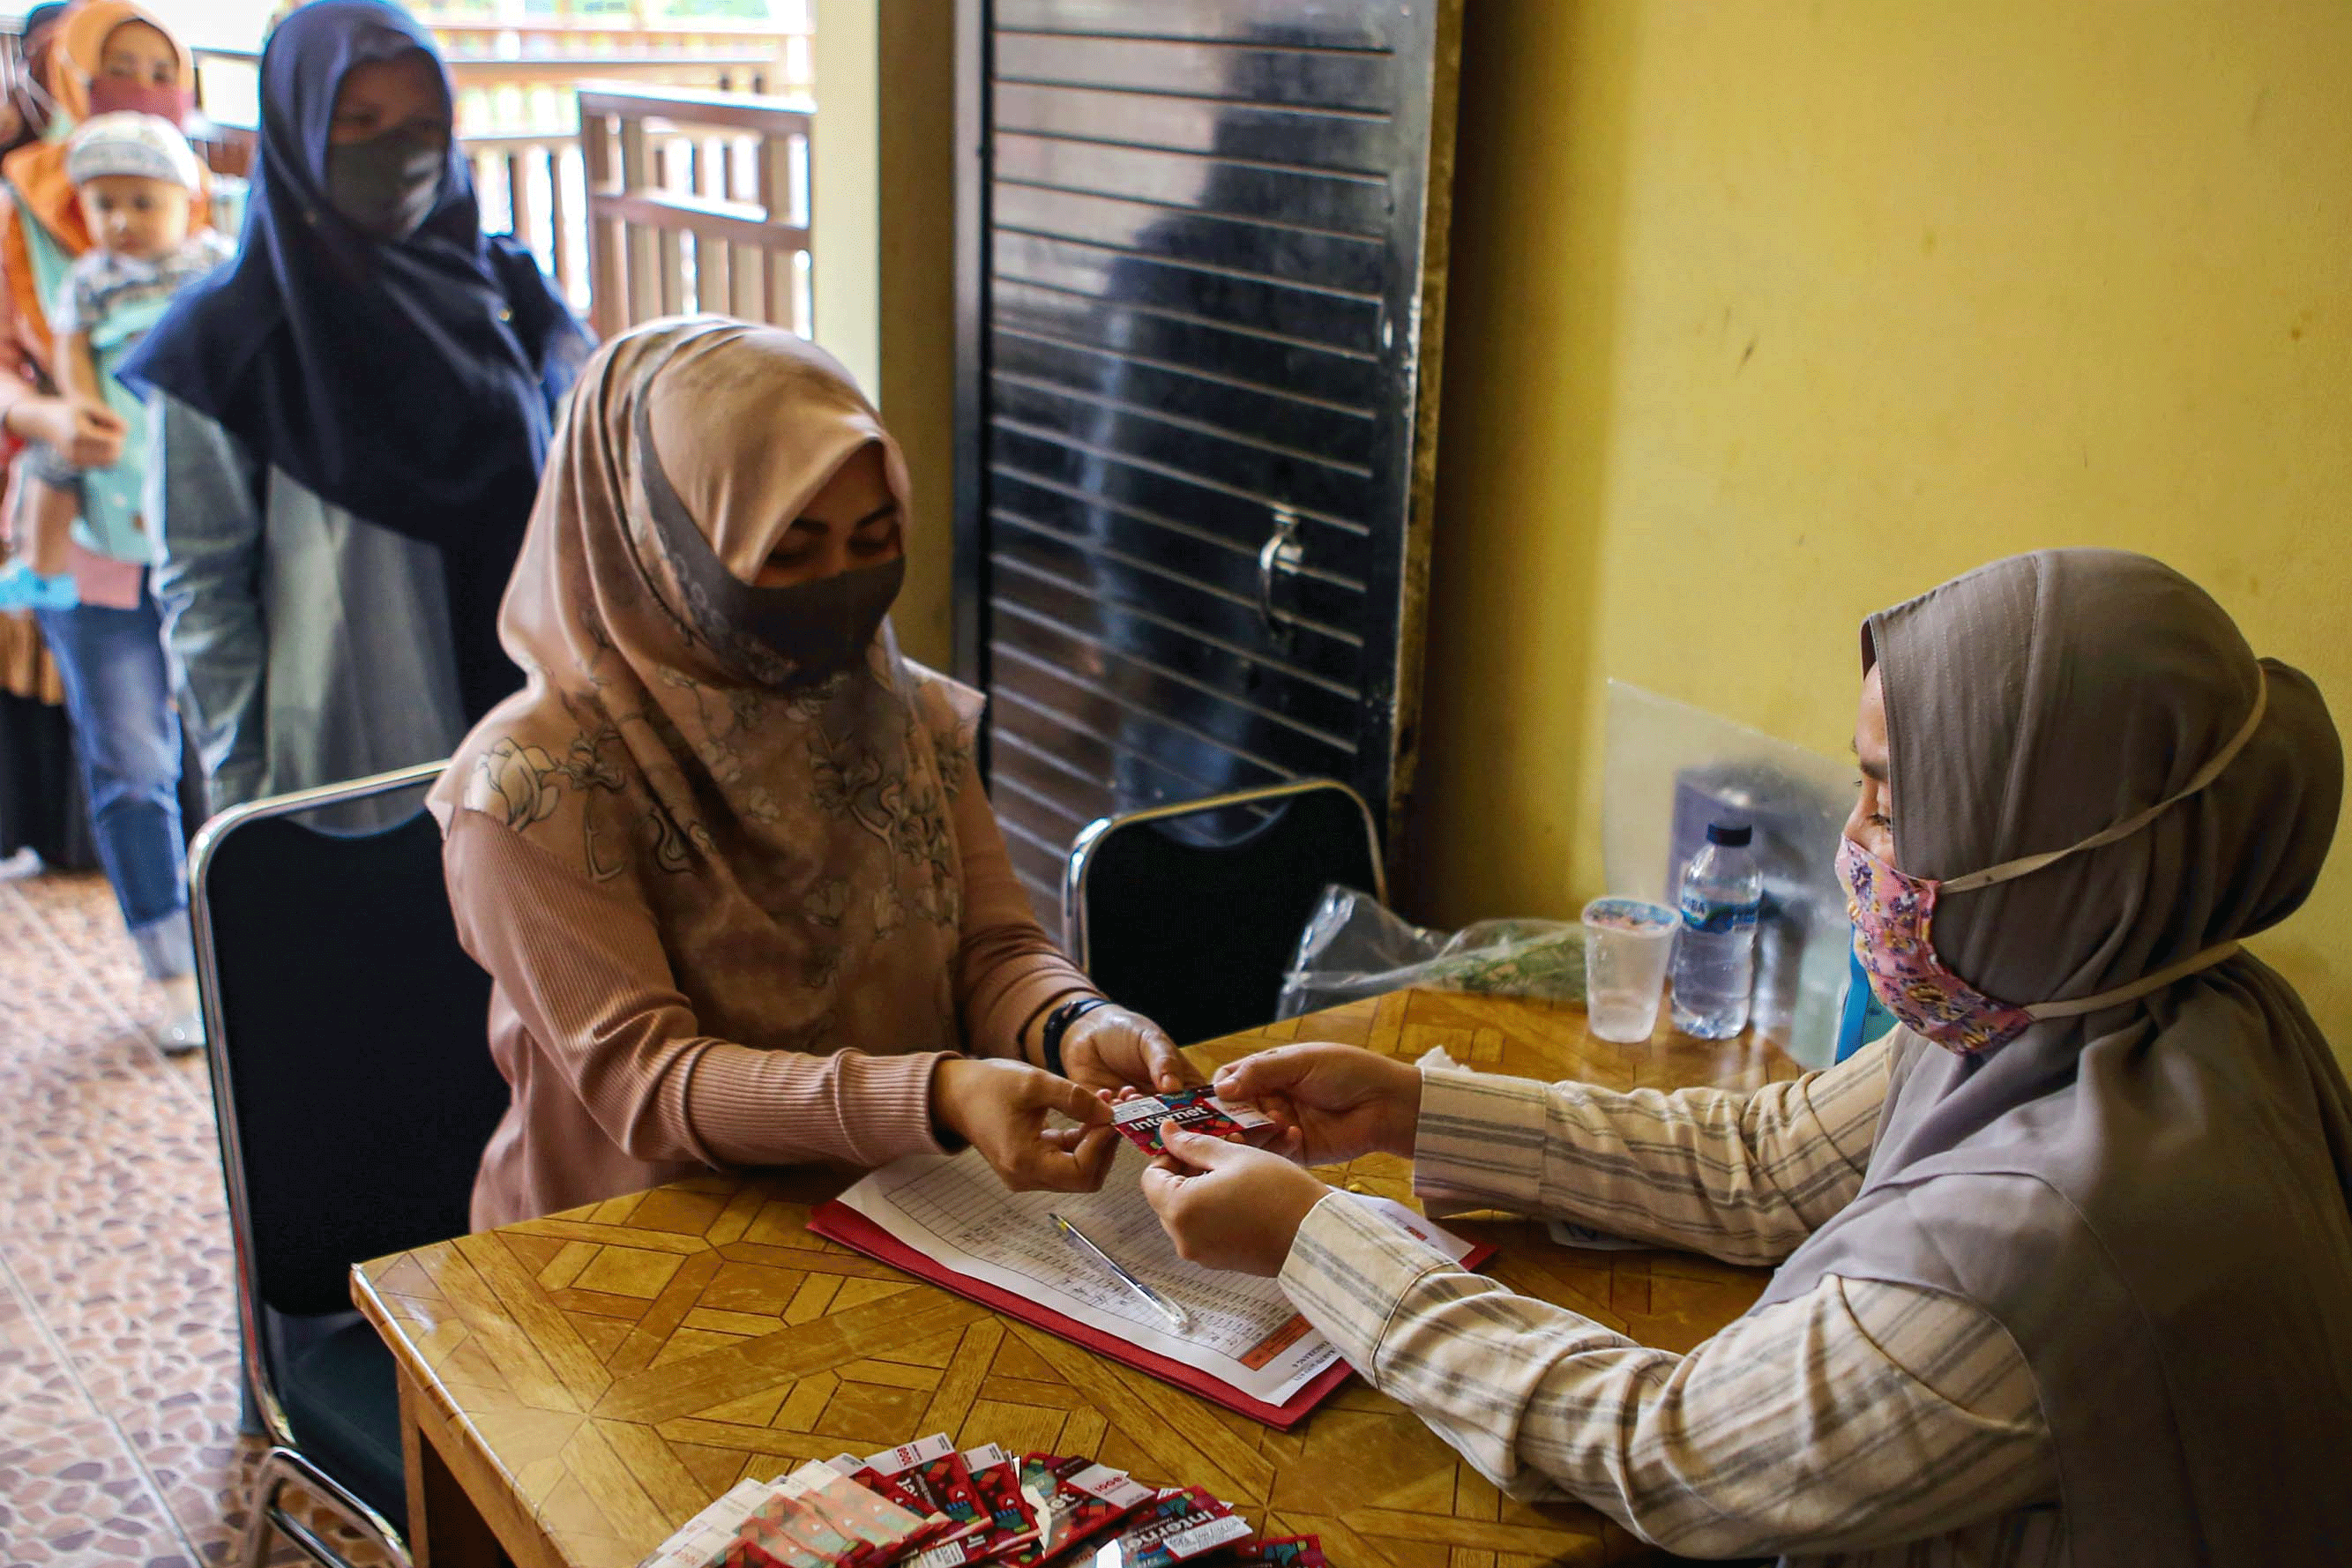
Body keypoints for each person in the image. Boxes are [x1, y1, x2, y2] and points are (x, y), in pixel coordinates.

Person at [1142, 549, 2352, 1564]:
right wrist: (1415, 1109)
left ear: (2058, 845)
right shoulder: (2100, 1000)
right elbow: (1767, 1161)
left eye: (1887, 800)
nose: (1852, 845)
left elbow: (1669, 1452)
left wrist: (1316, 1242)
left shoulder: (2049, 1250)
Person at [429, 317, 1195, 1229]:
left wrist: (1073, 1021)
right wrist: (937, 1095)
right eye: (786, 553)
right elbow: (648, 1079)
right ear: (660, 545)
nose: (838, 586)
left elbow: (991, 953)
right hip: (626, 1251)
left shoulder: (891, 707)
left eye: (874, 540)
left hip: (903, 1209)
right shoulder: (532, 784)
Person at [123, 0, 588, 821]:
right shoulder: (227, 344)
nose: (397, 153)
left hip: (536, 748)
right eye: (358, 120)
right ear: (297, 127)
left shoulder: (506, 294)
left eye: (422, 124)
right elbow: (203, 592)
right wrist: (247, 799)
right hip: (349, 769)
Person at [0, 2, 212, 1045]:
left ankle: (234, 946)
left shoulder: (218, 224)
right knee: (131, 755)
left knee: (220, 749)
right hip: (87, 522)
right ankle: (170, 968)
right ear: (63, 75)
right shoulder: (21, 214)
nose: (136, 81)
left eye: (156, 65)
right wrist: (37, 407)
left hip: (207, 528)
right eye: (112, 65)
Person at [0, 113, 228, 609]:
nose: (122, 220)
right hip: (109, 430)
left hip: (190, 422)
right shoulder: (90, 277)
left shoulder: (210, 260)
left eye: (143, 203)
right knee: (50, 467)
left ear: (187, 201)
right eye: (103, 206)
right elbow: (72, 342)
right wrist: (79, 402)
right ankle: (42, 567)